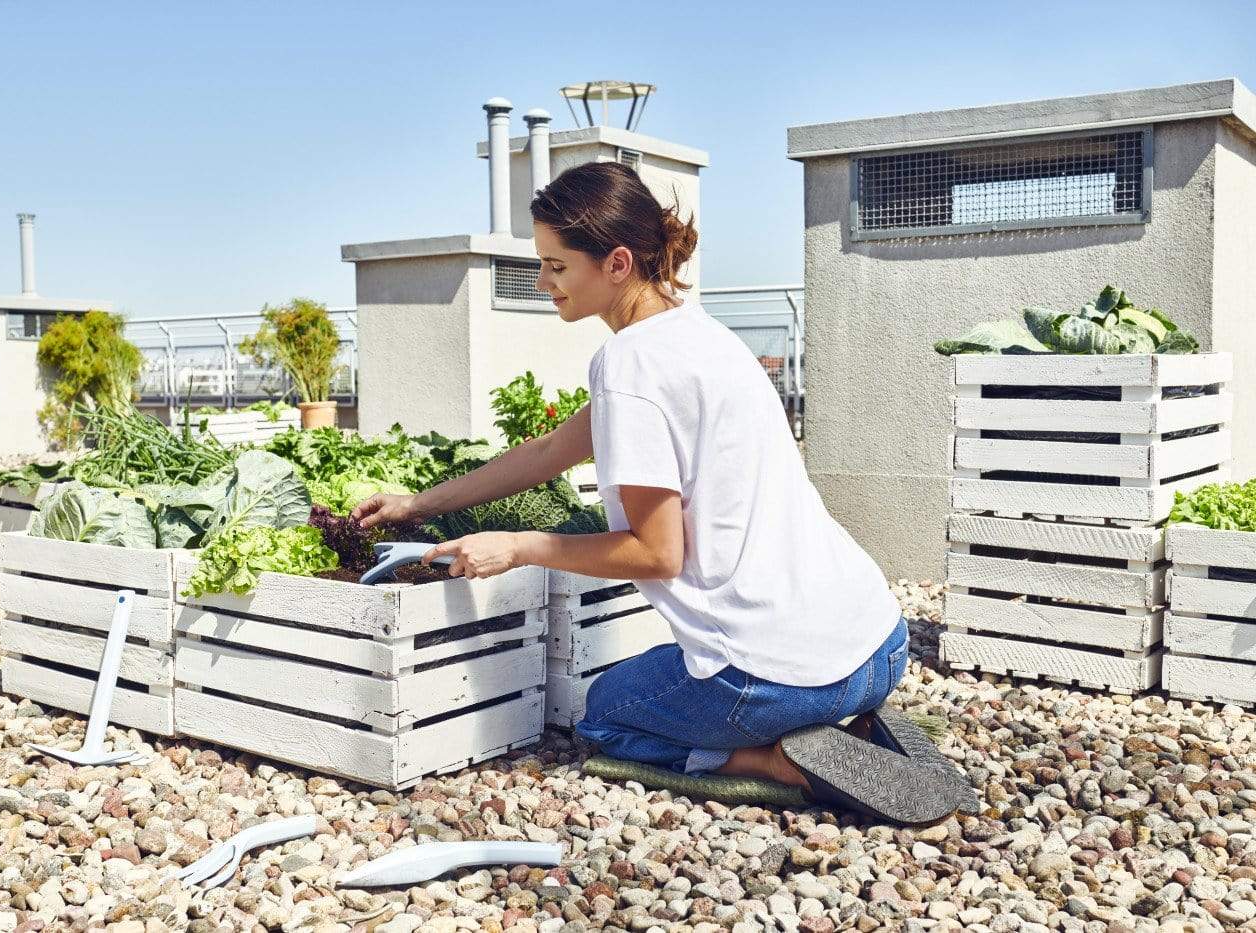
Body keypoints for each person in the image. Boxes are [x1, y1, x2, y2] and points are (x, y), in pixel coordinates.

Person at [354, 161, 959, 823]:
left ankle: (780, 761)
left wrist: (520, 546)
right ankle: (849, 729)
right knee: (664, 667)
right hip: (877, 642)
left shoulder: (630, 365)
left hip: (783, 673)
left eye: (557, 266)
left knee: (607, 713)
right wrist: (417, 505)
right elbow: (551, 451)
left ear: (616, 262)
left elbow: (657, 552)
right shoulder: (699, 334)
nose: (542, 282)